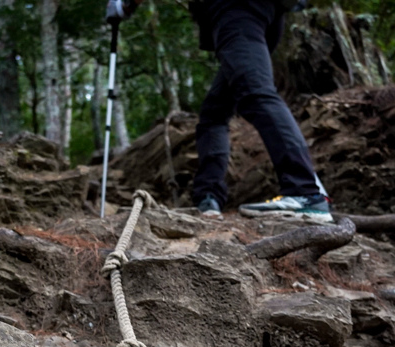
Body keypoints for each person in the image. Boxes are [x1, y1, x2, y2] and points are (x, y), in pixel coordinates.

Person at [106, 0, 333, 223]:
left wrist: (124, 5)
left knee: (256, 93)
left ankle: (305, 193)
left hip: (238, 11)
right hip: (263, 12)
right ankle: (208, 198)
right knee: (215, 113)